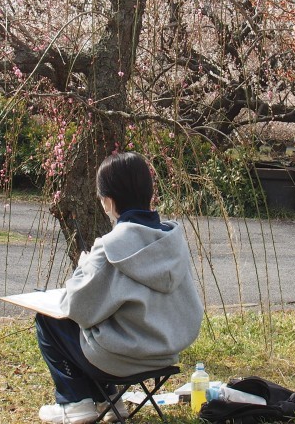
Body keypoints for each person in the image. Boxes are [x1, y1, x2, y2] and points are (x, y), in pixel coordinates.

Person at [36, 151, 204, 423]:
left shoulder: (110, 247)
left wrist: (84, 266)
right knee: (108, 318)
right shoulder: (173, 240)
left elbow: (75, 306)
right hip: (166, 353)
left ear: (109, 201)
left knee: (48, 319)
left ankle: (74, 402)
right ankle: (110, 400)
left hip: (122, 358)